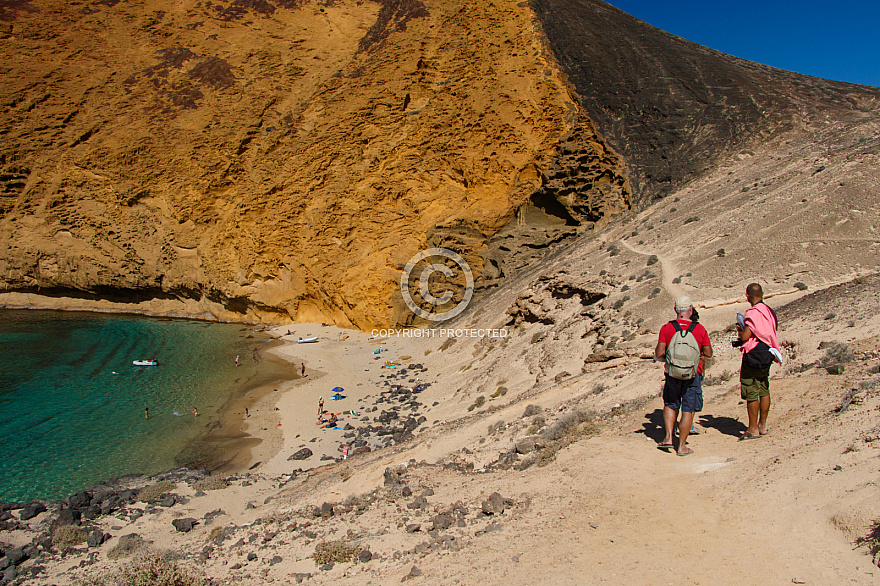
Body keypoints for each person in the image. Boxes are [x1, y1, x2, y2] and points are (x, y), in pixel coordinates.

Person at [655, 296, 713, 456]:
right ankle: (681, 446)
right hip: (693, 374)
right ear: (691, 310)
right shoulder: (699, 329)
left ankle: (668, 438)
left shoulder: (667, 327)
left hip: (673, 373)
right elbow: (708, 353)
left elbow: (659, 353)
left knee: (670, 403)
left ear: (675, 310)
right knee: (687, 409)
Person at [735, 283, 781, 440]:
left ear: (747, 296)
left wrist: (740, 331)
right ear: (763, 293)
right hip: (768, 353)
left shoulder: (753, 313)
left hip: (753, 355)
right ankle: (762, 425)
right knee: (763, 388)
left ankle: (752, 428)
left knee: (751, 391)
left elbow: (746, 336)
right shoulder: (769, 312)